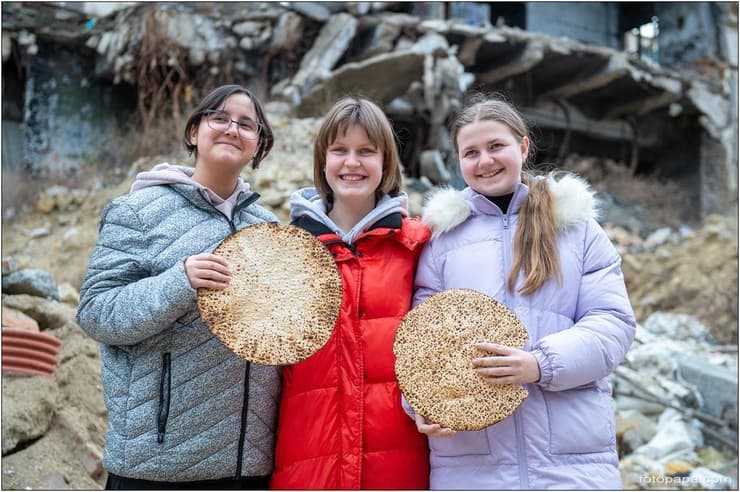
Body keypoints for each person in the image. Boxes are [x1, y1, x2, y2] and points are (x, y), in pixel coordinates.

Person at [411, 94, 636, 489]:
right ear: (458, 161)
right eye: (471, 152)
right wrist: (422, 402)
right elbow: (422, 342)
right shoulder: (441, 240)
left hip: (572, 465)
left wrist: (540, 364)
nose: (485, 161)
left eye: (496, 146)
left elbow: (613, 324)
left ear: (523, 146)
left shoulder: (576, 227)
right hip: (471, 466)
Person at [76, 84, 281, 489]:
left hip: (247, 467)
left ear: (258, 145)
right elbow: (96, 313)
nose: (231, 129)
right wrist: (178, 282)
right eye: (219, 118)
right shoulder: (137, 211)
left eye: (246, 124)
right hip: (157, 465)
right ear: (193, 132)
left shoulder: (268, 229)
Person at [270, 97, 431, 489]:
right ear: (323, 162)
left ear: (386, 162)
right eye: (339, 150)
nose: (352, 163)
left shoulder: (417, 245)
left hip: (397, 467)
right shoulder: (286, 252)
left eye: (366, 152)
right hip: (308, 465)